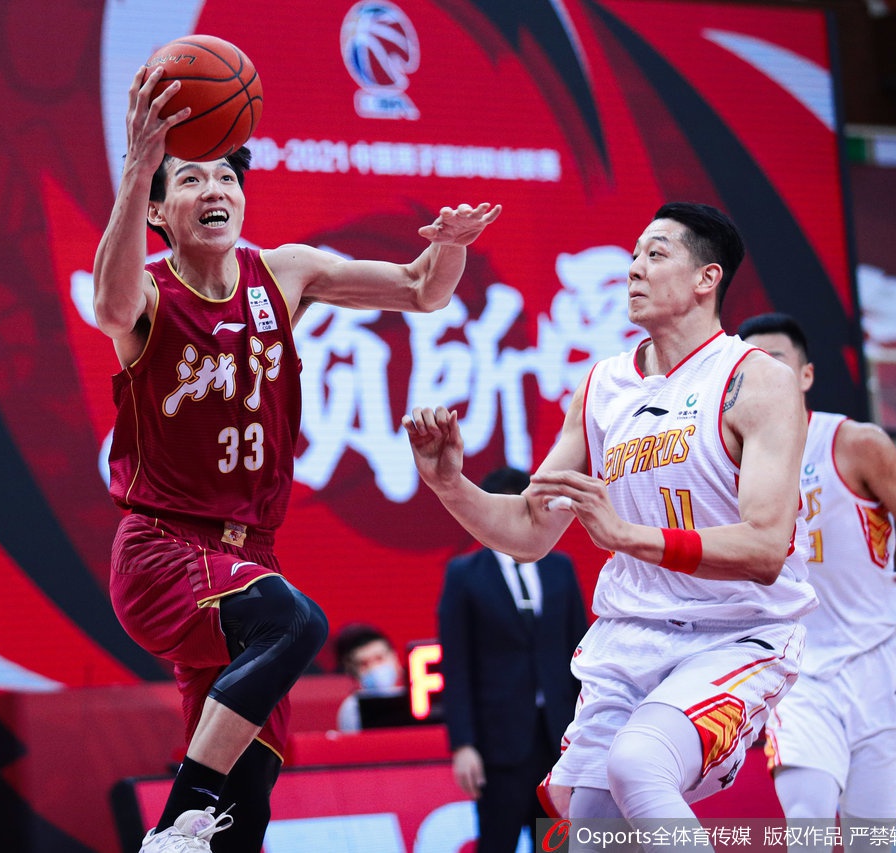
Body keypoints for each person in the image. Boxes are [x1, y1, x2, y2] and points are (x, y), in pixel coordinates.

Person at [94, 63, 501, 853]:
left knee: (246, 804)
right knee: (298, 619)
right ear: (157, 210)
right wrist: (138, 166)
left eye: (226, 175)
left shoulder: (284, 273)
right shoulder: (146, 293)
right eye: (190, 179)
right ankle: (176, 817)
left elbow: (422, 289)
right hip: (163, 550)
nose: (214, 188)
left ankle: (200, 821)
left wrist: (450, 247)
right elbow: (107, 306)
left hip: (248, 560)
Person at [404, 202, 816, 848]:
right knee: (591, 823)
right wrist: (449, 484)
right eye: (633, 256)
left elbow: (765, 548)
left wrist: (625, 537)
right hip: (631, 639)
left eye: (656, 254)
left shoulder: (756, 381)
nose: (635, 269)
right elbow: (530, 529)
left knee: (638, 765)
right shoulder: (602, 387)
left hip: (735, 633)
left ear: (706, 278)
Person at [736, 312, 896, 845]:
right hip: (798, 670)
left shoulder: (855, 443)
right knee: (808, 819)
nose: (763, 375)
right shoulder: (729, 464)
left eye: (775, 362)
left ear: (805, 375)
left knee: (873, 835)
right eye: (750, 367)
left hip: (879, 664)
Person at [438, 466, 588, 853]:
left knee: (557, 846)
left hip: (560, 741)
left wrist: (592, 732)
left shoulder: (560, 567)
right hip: (498, 744)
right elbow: (457, 666)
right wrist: (463, 744)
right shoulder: (465, 574)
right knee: (497, 843)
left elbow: (583, 653)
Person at [332, 623, 405, 732]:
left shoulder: (418, 699)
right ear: (352, 671)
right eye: (364, 664)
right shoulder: (352, 709)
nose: (374, 668)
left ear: (394, 656)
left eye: (379, 658)